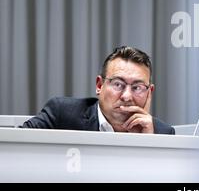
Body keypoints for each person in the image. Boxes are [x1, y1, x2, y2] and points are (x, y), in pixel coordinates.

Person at [22, 46, 175, 134]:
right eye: (118, 84)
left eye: (137, 88)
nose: (127, 96)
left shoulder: (161, 132)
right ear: (99, 85)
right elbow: (12, 148)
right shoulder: (62, 114)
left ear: (149, 93)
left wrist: (147, 145)